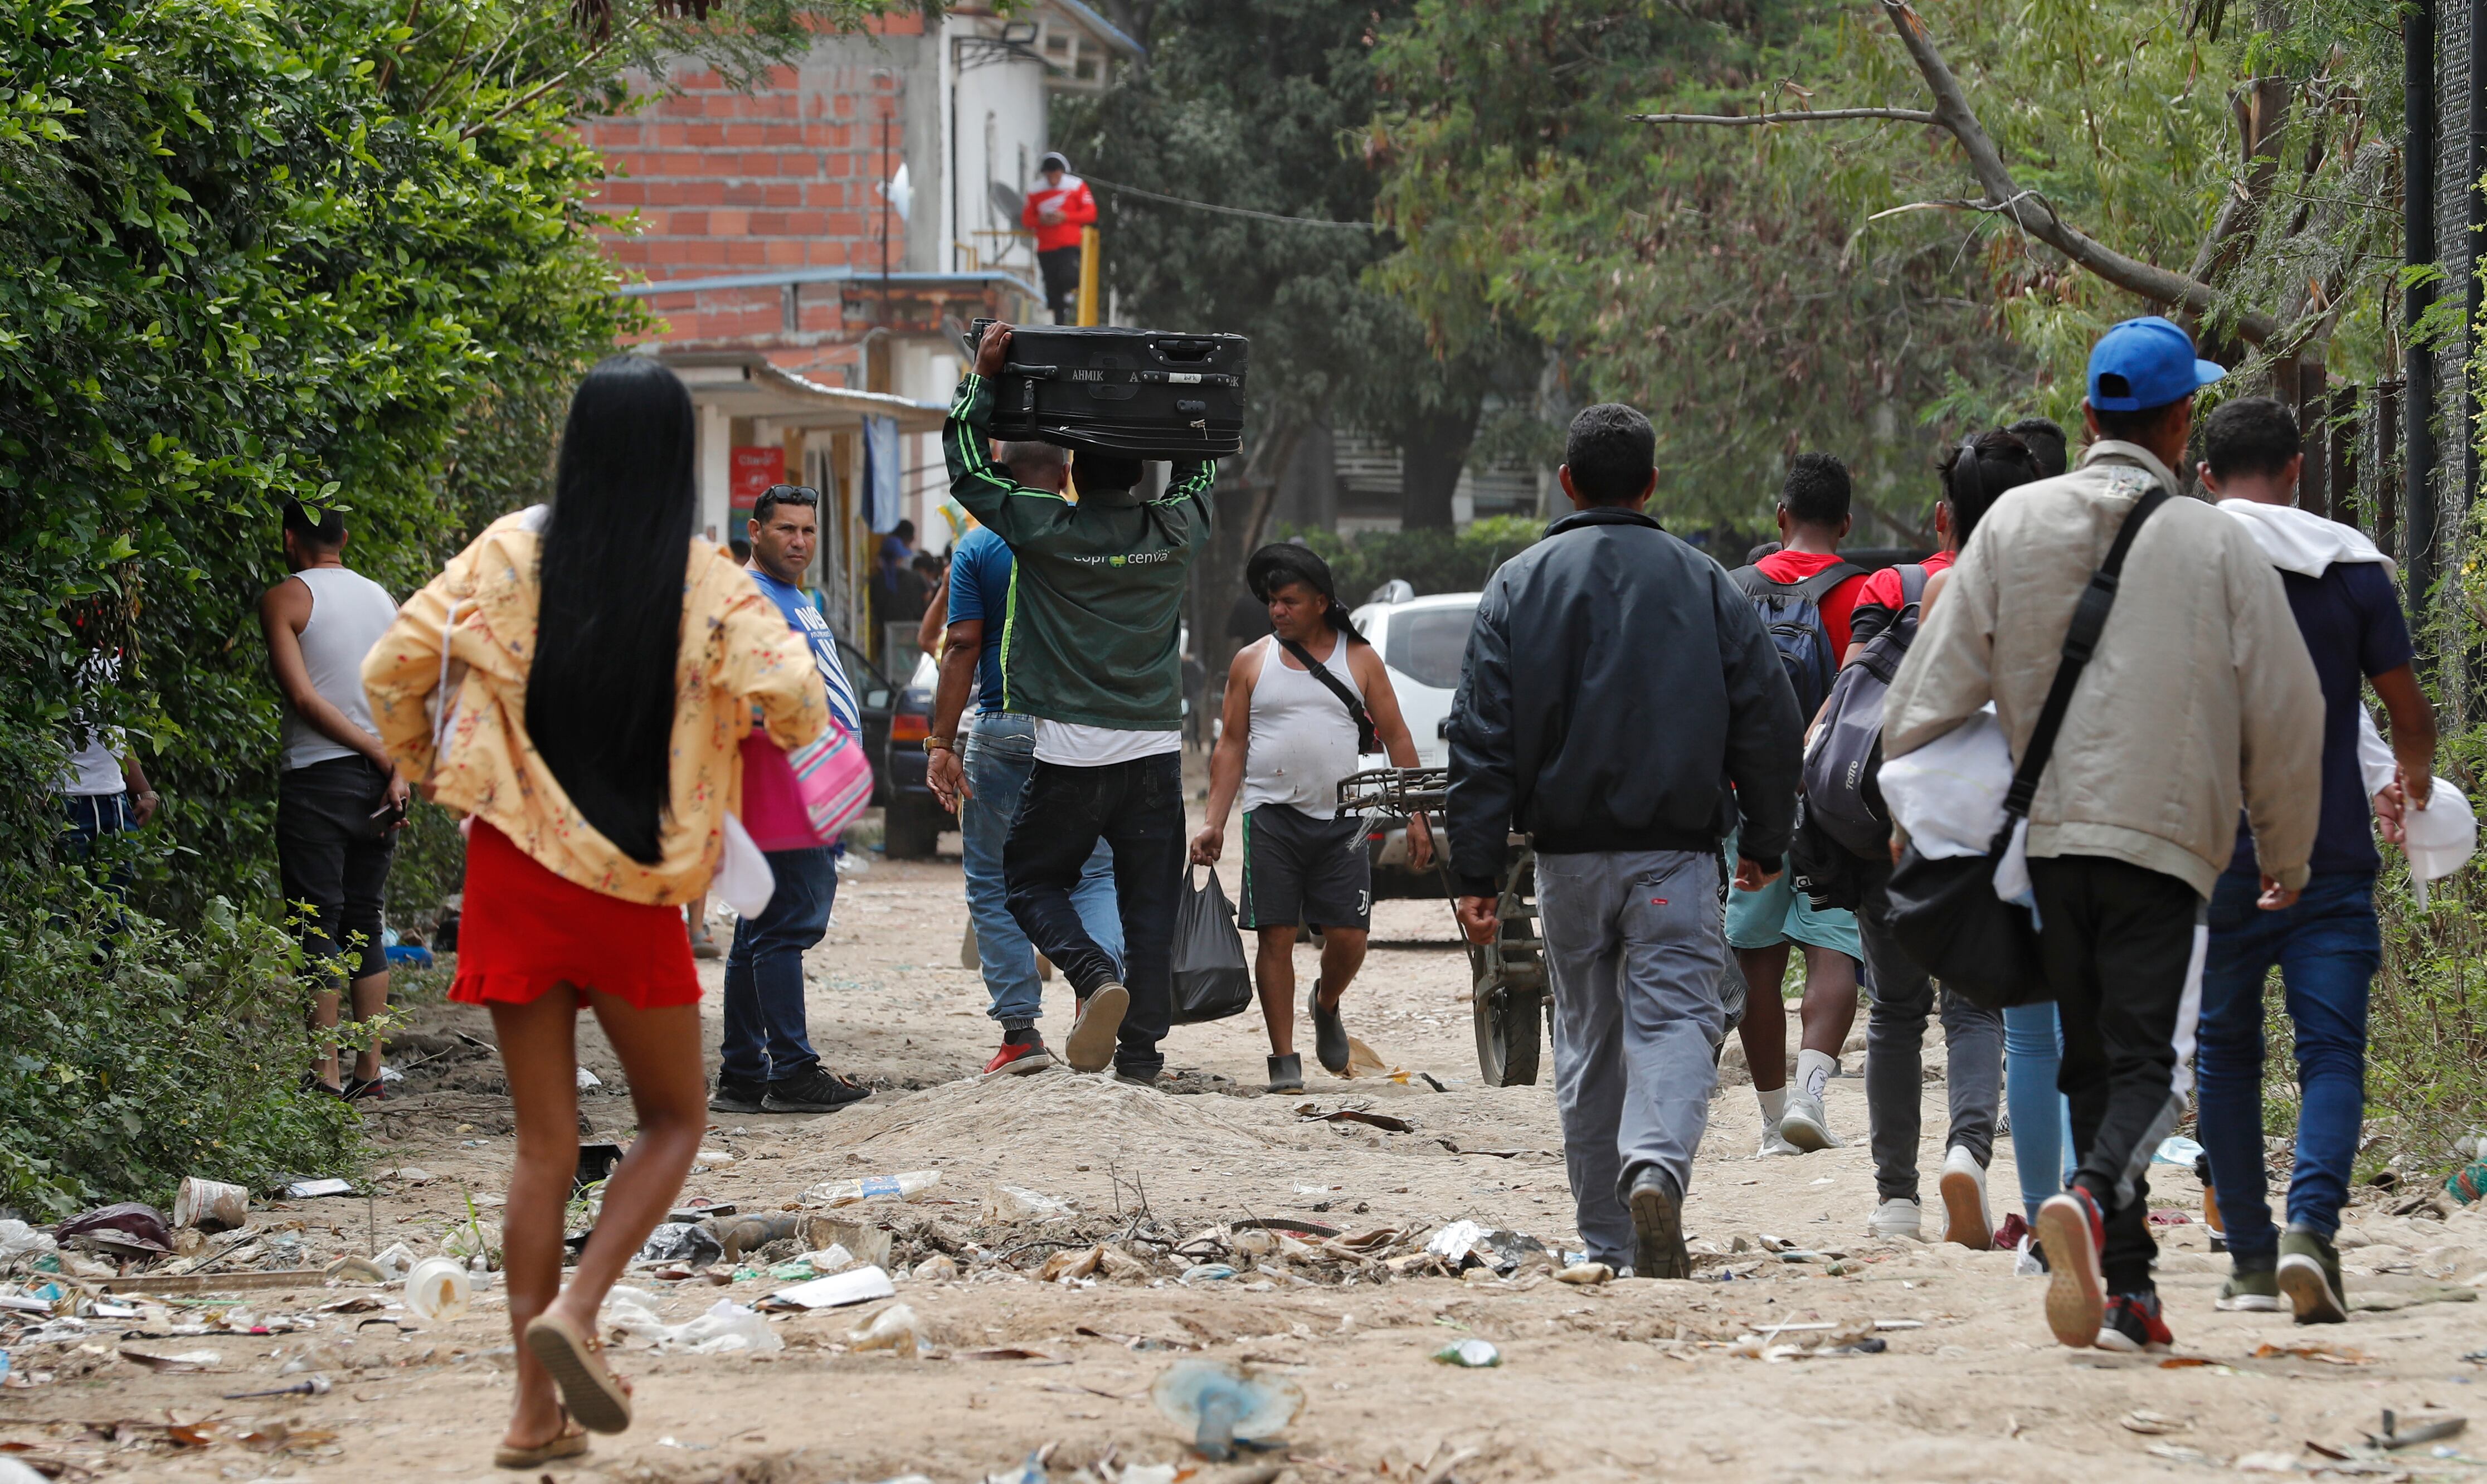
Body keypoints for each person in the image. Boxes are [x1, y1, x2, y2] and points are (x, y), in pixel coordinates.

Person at [363, 356, 829, 1466]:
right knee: (672, 1117)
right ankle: (577, 1310)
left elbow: (392, 664)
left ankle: (531, 1413)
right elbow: (797, 695)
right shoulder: (703, 579)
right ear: (676, 457)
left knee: (543, 1143)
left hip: (512, 873)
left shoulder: (505, 551)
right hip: (631, 882)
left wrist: (429, 762)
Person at [1884, 315, 2323, 1353]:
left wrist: (1934, 808)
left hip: (2046, 850)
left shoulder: (2009, 525)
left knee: (2088, 1062)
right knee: (2152, 1072)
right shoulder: (2220, 541)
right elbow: (2286, 705)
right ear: (2182, 424)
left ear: (2087, 416)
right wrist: (2287, 847)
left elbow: (1924, 701)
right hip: (2166, 845)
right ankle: (2085, 1199)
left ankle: (2129, 1297)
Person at [1447, 403, 1803, 1278]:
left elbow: (1479, 736)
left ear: (1567, 483)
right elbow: (1769, 719)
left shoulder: (1516, 584)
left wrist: (1475, 866)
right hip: (1673, 858)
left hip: (1566, 863)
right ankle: (1655, 1165)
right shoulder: (1708, 581)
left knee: (1587, 1038)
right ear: (1650, 484)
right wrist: (1764, 835)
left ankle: (1606, 1239)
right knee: (1677, 1018)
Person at [2193, 397, 2436, 1324]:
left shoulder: (2189, 566)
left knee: (2223, 1050)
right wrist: (2410, 785)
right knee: (2331, 1049)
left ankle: (2251, 1260)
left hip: (2217, 848)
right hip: (2331, 852)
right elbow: (2406, 716)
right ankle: (2311, 1231)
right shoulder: (2351, 573)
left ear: (2205, 478)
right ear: (2297, 468)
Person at [943, 322, 1216, 1083]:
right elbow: (1201, 474)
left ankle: (1093, 977)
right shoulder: (1174, 531)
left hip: (1067, 754)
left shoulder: (1044, 531)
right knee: (1149, 911)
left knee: (1026, 881)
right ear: (1137, 476)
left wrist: (980, 380)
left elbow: (969, 475)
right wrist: (1182, 406)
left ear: (1072, 474)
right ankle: (1140, 1060)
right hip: (1155, 757)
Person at [1842, 432, 2042, 1246]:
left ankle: (1896, 1197)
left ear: (1939, 515)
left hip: (1914, 823)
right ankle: (1968, 1149)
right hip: (2009, 827)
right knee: (1978, 1007)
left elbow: (1874, 708)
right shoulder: (2051, 588)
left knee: (1892, 1009)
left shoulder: (1907, 585)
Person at [1192, 543, 1434, 1092]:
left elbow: (1396, 735)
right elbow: (1230, 745)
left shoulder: (1360, 659)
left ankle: (1325, 1002)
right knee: (1275, 934)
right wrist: (1214, 821)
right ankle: (1283, 1060)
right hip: (1270, 816)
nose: (1277, 611)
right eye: (1272, 602)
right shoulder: (1251, 662)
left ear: (1322, 603)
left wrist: (1415, 816)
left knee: (1349, 936)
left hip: (1343, 818)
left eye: (1290, 601)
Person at [924, 445, 1126, 1077]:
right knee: (1092, 874)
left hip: (1002, 726)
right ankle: (1094, 989)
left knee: (994, 880)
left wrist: (941, 742)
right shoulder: (1094, 541)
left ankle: (1018, 1035)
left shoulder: (981, 546)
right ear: (1065, 474)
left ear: (1001, 477)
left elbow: (960, 644)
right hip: (1080, 730)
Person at [710, 484, 873, 1116]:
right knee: (784, 927)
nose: (799, 541)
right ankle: (793, 1069)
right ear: (755, 530)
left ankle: (744, 1074)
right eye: (785, 530)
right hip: (789, 785)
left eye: (807, 530)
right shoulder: (749, 599)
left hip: (807, 782)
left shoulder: (793, 597)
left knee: (759, 928)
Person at [1725, 453, 1869, 1155]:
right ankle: (1810, 1094)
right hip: (1833, 800)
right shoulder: (1864, 592)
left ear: (1780, 517)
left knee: (1755, 953)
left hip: (1746, 800)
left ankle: (1768, 1121)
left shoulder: (1730, 590)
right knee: (1833, 944)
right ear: (1845, 523)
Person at [258, 498, 407, 1099]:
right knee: (364, 920)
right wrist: (397, 766)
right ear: (344, 537)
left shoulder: (286, 596)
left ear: (292, 538)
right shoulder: (384, 601)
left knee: (315, 922)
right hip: (381, 781)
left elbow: (304, 699)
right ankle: (368, 1070)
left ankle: (323, 1074)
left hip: (320, 780)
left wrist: (378, 753)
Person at [1022, 151, 1097, 323]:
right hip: (1046, 247)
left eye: (1056, 172)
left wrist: (1066, 217)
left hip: (1069, 245)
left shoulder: (1076, 186)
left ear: (1062, 172)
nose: (1053, 177)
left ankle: (1069, 298)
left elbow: (1090, 214)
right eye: (1049, 173)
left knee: (1069, 276)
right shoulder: (1035, 190)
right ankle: (1059, 325)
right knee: (1052, 289)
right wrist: (1040, 220)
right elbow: (1027, 219)